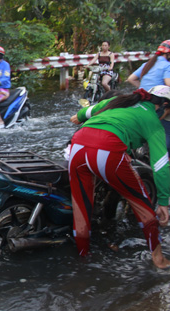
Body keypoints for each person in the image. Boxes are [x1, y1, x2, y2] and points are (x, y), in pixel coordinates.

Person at [68, 86, 170, 269]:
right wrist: (163, 202)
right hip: (107, 150)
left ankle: (83, 257)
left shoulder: (119, 101)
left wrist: (79, 117)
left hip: (77, 145)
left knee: (81, 207)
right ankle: (159, 260)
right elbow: (161, 166)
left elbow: (84, 113)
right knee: (143, 204)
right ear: (164, 106)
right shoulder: (153, 121)